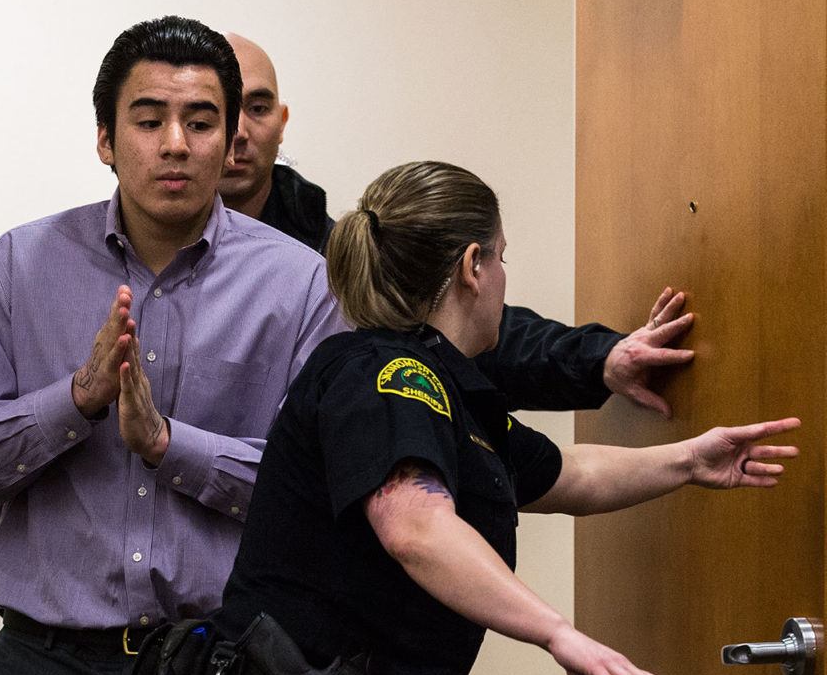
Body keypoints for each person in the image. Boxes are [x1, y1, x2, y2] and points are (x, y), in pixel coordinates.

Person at [181, 161, 799, 675]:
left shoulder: (449, 389)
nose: (504, 277)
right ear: (472, 266)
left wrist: (694, 458)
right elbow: (416, 528)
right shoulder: (385, 375)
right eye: (501, 256)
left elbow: (570, 476)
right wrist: (560, 634)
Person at [0, 16, 346, 675]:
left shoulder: (303, 287)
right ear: (105, 140)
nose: (175, 144)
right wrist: (76, 401)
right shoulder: (17, 268)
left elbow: (323, 492)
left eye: (201, 122)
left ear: (231, 134)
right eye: (149, 120)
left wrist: (171, 446)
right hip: (40, 670)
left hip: (220, 673)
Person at [217, 32, 695, 419]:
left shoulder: (329, 252)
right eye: (217, 111)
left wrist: (602, 359)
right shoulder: (144, 251)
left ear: (282, 122)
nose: (239, 131)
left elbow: (469, 323)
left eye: (257, 108)